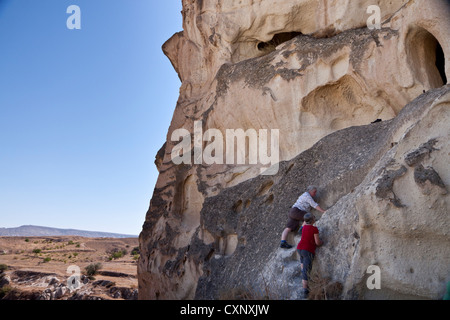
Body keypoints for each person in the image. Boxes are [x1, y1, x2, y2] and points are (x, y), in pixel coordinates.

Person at [297, 213, 323, 299]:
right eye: (314, 218)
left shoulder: (303, 227)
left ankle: (304, 281)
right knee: (306, 270)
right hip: (307, 250)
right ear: (312, 220)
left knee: (303, 266)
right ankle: (305, 290)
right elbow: (317, 242)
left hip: (300, 248)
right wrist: (322, 242)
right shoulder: (314, 229)